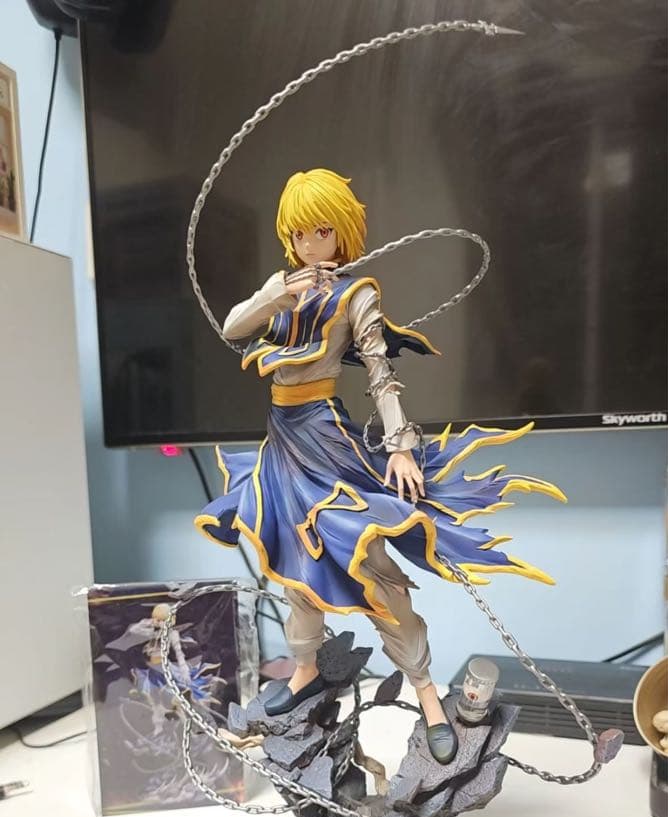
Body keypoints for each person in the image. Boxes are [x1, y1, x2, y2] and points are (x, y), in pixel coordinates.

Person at [195, 168, 565, 763]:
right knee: (294, 564)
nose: (310, 243)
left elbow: (379, 370)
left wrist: (399, 444)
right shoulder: (283, 287)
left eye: (321, 231)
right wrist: (275, 294)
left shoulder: (355, 295)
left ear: (341, 233)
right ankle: (303, 672)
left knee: (371, 564)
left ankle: (428, 695)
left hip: (324, 438)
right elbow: (233, 326)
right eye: (300, 233)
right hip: (281, 443)